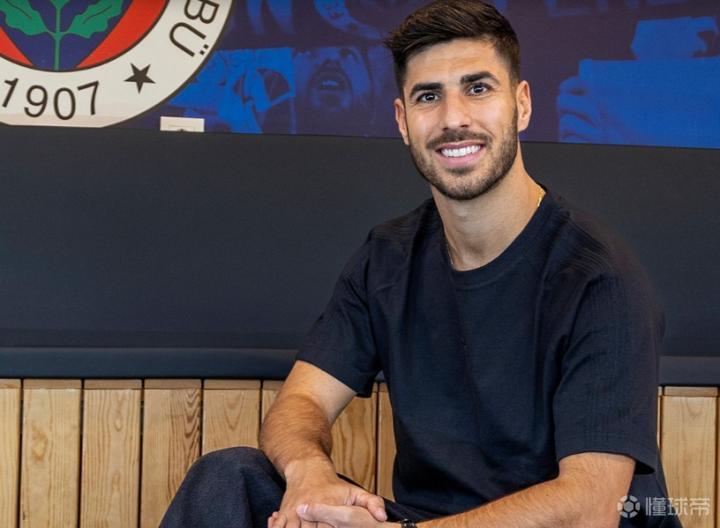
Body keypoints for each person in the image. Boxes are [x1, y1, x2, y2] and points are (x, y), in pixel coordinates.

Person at [160, 1, 680, 526]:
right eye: (428, 96)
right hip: (421, 520)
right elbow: (301, 402)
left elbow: (591, 508)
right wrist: (308, 474)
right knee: (227, 477)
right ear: (402, 121)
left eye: (478, 88)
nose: (454, 118)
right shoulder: (388, 257)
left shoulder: (598, 277)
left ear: (521, 105)